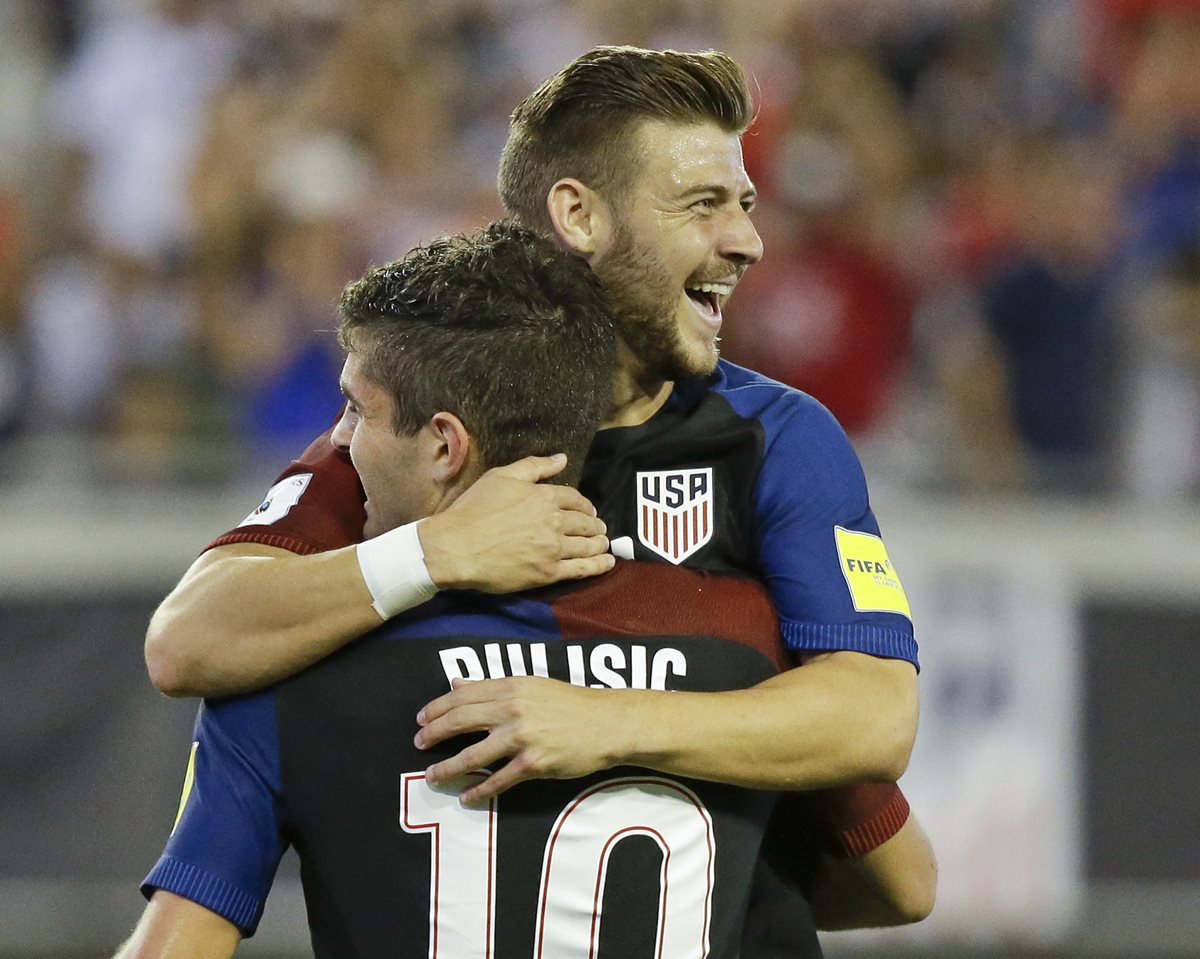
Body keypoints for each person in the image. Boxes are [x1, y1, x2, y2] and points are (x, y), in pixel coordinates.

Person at [140, 45, 932, 949]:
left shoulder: (773, 438)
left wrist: (610, 725)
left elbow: (877, 719)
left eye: (744, 204)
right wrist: (438, 552)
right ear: (577, 214)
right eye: (703, 205)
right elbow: (189, 639)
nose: (747, 241)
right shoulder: (420, 419)